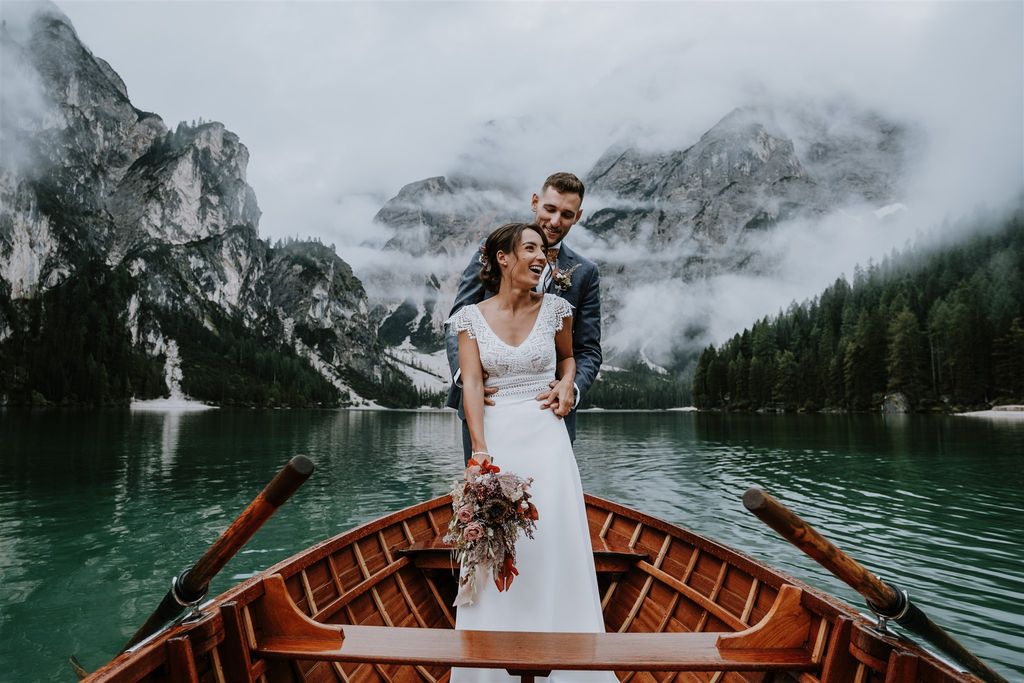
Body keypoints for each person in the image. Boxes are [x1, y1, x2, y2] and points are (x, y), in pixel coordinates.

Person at [445, 223, 615, 683]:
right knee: (493, 546)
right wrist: (480, 450)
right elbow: (473, 384)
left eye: (545, 250)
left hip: (547, 438)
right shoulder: (470, 319)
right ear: (504, 258)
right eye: (532, 248)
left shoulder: (558, 310)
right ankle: (488, 667)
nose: (543, 256)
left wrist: (566, 382)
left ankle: (566, 659)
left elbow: (569, 357)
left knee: (553, 540)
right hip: (498, 438)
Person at [446, 172, 601, 463]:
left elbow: (588, 349)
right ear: (535, 202)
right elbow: (460, 319)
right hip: (487, 408)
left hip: (551, 413)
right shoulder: (491, 250)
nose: (555, 222)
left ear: (577, 217)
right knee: (489, 501)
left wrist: (572, 385)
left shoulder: (585, 272)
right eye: (550, 209)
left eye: (566, 214)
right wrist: (467, 379)